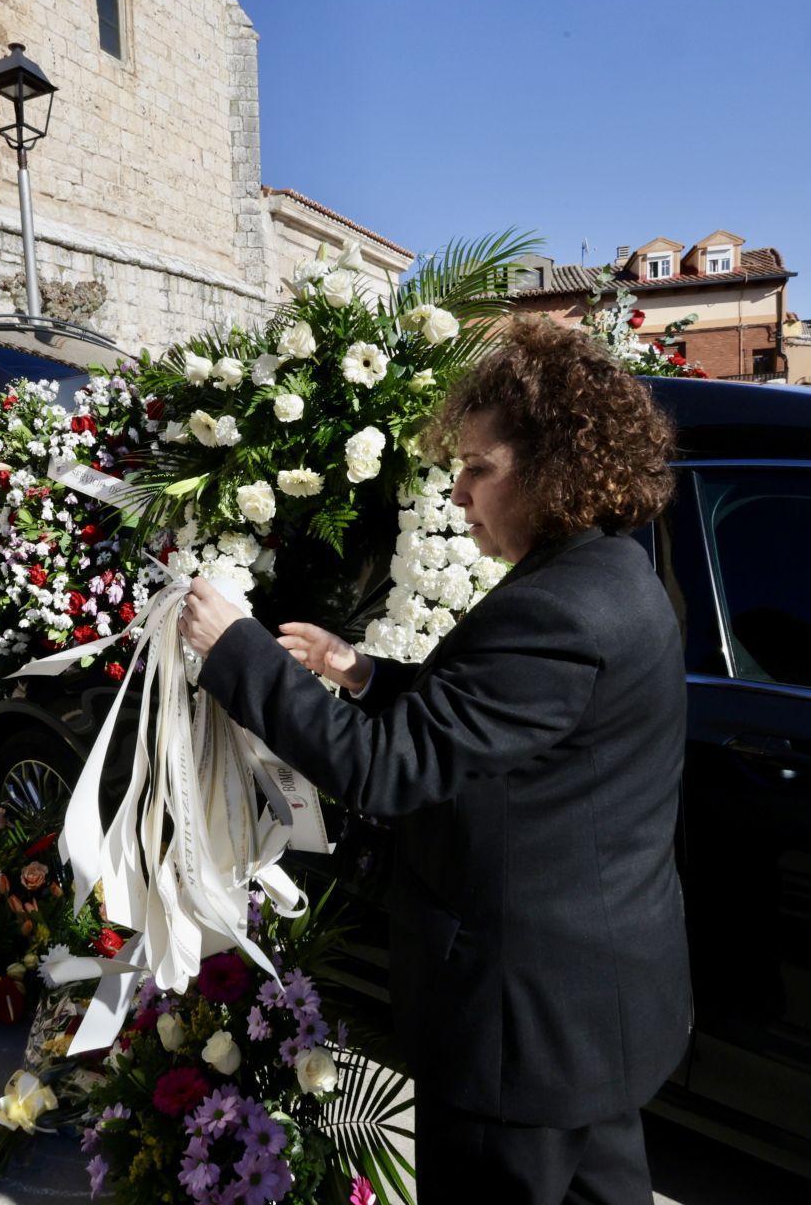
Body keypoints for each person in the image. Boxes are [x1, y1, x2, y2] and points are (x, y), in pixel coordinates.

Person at [180, 321, 692, 1204]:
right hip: (587, 1015)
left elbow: (384, 769)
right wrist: (364, 671)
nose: (456, 493)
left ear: (555, 467)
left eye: (478, 468)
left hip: (520, 1030)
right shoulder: (608, 575)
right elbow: (503, 720)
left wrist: (237, 651)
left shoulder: (561, 609)